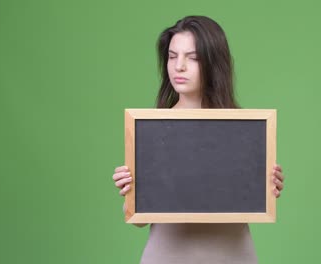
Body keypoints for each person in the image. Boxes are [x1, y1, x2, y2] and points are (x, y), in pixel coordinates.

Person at [112, 15, 285, 263]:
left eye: (193, 58)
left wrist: (268, 185)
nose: (179, 66)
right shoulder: (151, 128)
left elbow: (251, 198)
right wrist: (131, 191)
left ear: (213, 63)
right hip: (167, 256)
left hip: (233, 255)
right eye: (172, 56)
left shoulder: (245, 130)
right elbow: (140, 221)